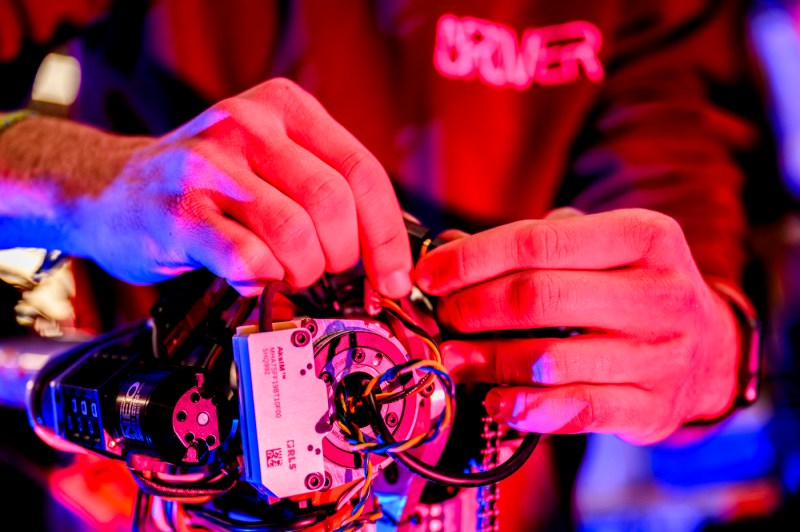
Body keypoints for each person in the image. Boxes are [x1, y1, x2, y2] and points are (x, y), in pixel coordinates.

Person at [0, 0, 765, 529]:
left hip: (470, 494)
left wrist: (711, 350)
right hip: (157, 486)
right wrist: (87, 178)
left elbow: (685, 246)